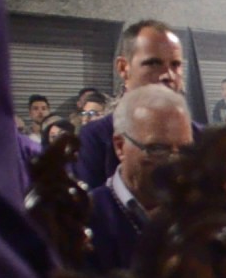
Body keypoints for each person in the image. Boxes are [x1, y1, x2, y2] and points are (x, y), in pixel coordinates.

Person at [87, 85, 193, 273]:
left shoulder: (200, 215)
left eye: (184, 150)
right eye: (158, 149)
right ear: (120, 146)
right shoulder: (85, 218)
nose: (174, 162)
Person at [76, 20, 190, 189]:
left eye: (175, 65)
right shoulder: (95, 139)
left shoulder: (201, 138)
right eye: (153, 63)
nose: (168, 75)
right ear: (123, 68)